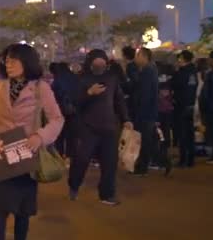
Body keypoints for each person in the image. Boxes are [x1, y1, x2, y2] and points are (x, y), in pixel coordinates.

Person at [0, 44, 63, 240]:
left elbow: (57, 119)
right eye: (6, 60)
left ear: (27, 62)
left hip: (26, 156)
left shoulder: (41, 88)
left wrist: (40, 137)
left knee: (22, 213)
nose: (8, 64)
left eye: (13, 60)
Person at [68, 49, 132, 206]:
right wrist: (89, 93)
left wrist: (126, 119)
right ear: (90, 62)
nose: (99, 65)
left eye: (102, 62)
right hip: (87, 128)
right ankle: (74, 185)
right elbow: (74, 103)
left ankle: (107, 194)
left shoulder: (112, 78)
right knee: (81, 160)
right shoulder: (81, 80)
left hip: (109, 127)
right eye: (96, 62)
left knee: (110, 163)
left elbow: (119, 101)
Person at [133, 47, 159, 175]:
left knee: (144, 141)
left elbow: (145, 95)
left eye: (138, 55)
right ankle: (142, 166)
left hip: (145, 113)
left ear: (144, 57)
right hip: (147, 112)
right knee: (145, 140)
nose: (136, 58)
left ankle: (143, 167)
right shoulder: (149, 70)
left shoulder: (148, 72)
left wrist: (139, 111)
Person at [171, 50, 198, 167]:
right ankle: (191, 160)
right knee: (190, 134)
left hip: (181, 106)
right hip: (191, 105)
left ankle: (183, 160)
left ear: (183, 59)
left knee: (182, 134)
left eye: (180, 58)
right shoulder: (193, 72)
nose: (178, 60)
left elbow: (174, 84)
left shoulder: (182, 72)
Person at [50, 62, 79, 159]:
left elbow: (52, 95)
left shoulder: (57, 80)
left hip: (60, 110)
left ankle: (60, 154)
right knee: (71, 134)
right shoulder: (75, 78)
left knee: (60, 134)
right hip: (73, 110)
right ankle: (70, 155)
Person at [122, 46, 138, 120]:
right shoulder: (136, 66)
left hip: (132, 99)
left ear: (125, 56)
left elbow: (131, 83)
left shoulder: (130, 67)